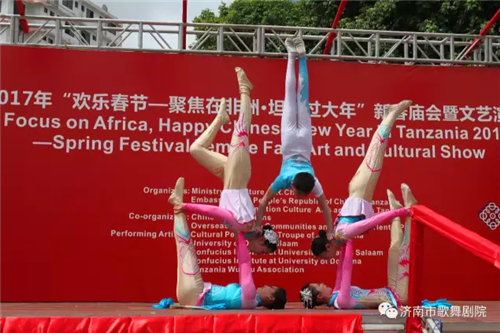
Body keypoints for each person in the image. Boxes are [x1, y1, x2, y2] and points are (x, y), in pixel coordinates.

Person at [175, 67, 279, 254]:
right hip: (237, 176)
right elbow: (215, 212)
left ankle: (220, 119)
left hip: (228, 177)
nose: (257, 254)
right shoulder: (243, 226)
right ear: (262, 241)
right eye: (262, 251)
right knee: (242, 129)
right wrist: (186, 206)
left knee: (196, 149)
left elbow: (259, 207)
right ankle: (245, 89)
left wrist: (257, 225)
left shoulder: (245, 230)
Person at [310, 98, 413, 259]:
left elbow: (372, 222)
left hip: (361, 190)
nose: (328, 259)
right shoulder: (341, 237)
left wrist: (399, 212)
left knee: (377, 149)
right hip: (358, 190)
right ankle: (388, 115)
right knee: (374, 151)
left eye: (325, 256)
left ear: (328, 246)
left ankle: (392, 114)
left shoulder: (344, 232)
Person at [254, 36, 334, 238]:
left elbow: (264, 201)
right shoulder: (286, 180)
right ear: (296, 188)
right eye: (298, 193)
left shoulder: (313, 182)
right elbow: (263, 201)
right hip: (291, 141)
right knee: (293, 96)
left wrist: (258, 225)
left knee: (300, 96)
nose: (296, 195)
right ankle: (294, 54)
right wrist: (257, 225)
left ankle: (298, 55)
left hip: (304, 140)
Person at [168, 177, 287, 310]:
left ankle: (178, 203)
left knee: (185, 246)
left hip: (195, 293)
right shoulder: (249, 300)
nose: (265, 286)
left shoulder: (250, 298)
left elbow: (244, 263)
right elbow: (243, 261)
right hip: (192, 294)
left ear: (271, 298)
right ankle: (177, 203)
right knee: (184, 246)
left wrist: (241, 233)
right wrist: (240, 235)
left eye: (270, 288)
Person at [300, 184, 418, 309]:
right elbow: (347, 269)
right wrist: (349, 242)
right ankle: (410, 211)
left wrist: (344, 243)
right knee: (404, 252)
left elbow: (340, 269)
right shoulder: (340, 302)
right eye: (319, 285)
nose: (322, 283)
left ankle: (397, 212)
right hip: (399, 298)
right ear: (319, 296)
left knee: (394, 250)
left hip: (390, 291)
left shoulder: (336, 292)